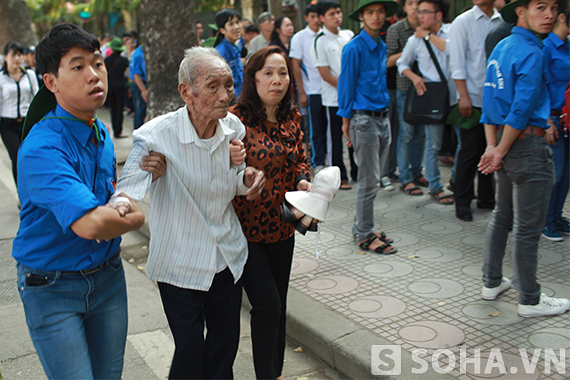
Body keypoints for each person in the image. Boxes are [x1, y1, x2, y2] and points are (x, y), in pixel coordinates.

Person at [13, 23, 163, 379]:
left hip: (108, 278)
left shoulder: (100, 130)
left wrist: (141, 178)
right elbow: (93, 224)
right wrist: (136, 217)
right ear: (51, 82)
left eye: (97, 63)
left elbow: (111, 194)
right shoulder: (42, 146)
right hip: (52, 286)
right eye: (78, 66)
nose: (94, 74)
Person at [114, 46, 265, 379]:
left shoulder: (233, 130)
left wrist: (248, 178)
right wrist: (120, 209)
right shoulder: (156, 137)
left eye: (229, 84)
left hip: (227, 256)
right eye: (214, 86)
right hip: (180, 263)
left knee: (224, 346)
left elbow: (235, 181)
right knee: (191, 349)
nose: (226, 94)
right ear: (186, 91)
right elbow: (126, 190)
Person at [478, 0, 570, 317]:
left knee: (502, 217)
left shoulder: (502, 46)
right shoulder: (533, 51)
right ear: (521, 11)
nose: (549, 15)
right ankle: (530, 299)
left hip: (504, 144)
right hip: (527, 146)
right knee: (527, 229)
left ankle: (491, 282)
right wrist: (498, 151)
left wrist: (494, 148)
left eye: (553, 8)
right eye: (540, 7)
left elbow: (488, 101)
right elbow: (520, 108)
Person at [230, 45, 311, 380]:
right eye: (268, 73)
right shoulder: (236, 119)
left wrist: (305, 180)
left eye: (282, 73)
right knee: (267, 306)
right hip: (244, 230)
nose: (277, 80)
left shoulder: (291, 116)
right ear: (253, 77)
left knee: (281, 306)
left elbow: (301, 159)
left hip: (283, 226)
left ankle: (274, 372)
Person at [338, 0, 399, 254]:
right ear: (361, 16)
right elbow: (346, 85)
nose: (376, 16)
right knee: (368, 181)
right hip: (363, 120)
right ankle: (364, 234)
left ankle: (361, 227)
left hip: (383, 117)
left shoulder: (381, 45)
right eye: (370, 12)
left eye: (380, 11)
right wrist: (346, 122)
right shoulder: (354, 48)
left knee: (374, 178)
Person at [396, 0, 456, 204]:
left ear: (438, 15)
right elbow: (401, 63)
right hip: (433, 96)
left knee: (463, 142)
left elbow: (451, 49)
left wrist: (429, 36)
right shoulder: (415, 39)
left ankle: (457, 181)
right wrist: (414, 77)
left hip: (458, 94)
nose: (419, 16)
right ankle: (436, 186)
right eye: (418, 12)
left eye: (425, 12)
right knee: (433, 144)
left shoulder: (451, 30)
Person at [449, 0, 502, 221]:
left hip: (495, 99)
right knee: (469, 151)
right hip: (470, 98)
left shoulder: (502, 20)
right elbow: (457, 62)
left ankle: (487, 198)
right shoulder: (463, 22)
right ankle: (462, 201)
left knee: (489, 148)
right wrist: (463, 95)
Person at [311, 0, 356, 189]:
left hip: (354, 97)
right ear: (322, 18)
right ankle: (340, 176)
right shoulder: (320, 40)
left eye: (339, 12)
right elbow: (325, 73)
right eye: (332, 14)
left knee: (354, 136)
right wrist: (347, 86)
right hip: (334, 99)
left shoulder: (348, 35)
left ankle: (357, 171)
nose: (337, 16)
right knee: (336, 139)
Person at [387, 0, 428, 196]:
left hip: (427, 88)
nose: (415, 7)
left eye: (418, 3)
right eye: (410, 3)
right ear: (404, 7)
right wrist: (411, 49)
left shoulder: (428, 27)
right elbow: (387, 61)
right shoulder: (396, 29)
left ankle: (416, 172)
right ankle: (405, 178)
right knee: (406, 134)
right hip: (405, 87)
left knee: (421, 135)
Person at [542, 4, 569, 241]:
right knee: (556, 173)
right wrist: (547, 121)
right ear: (563, 17)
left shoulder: (568, 46)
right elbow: (542, 87)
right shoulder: (547, 47)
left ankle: (557, 216)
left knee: (567, 173)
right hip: (553, 118)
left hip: (568, 118)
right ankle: (545, 221)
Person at [290, 4, 327, 170]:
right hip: (312, 90)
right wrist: (302, 92)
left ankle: (329, 158)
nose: (315, 20)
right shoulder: (300, 37)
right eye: (312, 17)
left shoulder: (326, 35)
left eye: (318, 17)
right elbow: (296, 66)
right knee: (315, 128)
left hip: (330, 89)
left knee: (330, 127)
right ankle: (318, 160)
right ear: (306, 18)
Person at [0, 42, 39, 190]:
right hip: (7, 125)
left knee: (31, 156)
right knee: (17, 158)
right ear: (5, 57)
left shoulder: (29, 75)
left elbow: (36, 98)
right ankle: (22, 193)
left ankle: (33, 190)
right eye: (13, 55)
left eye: (19, 55)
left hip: (27, 123)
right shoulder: (1, 78)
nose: (17, 58)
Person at [214, 9, 244, 97]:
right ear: (222, 30)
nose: (236, 27)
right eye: (231, 24)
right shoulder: (221, 52)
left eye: (238, 22)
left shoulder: (236, 47)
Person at [104, 38, 129, 138]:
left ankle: (114, 128)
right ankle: (118, 131)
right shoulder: (124, 61)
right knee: (120, 108)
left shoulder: (106, 60)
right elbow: (128, 74)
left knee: (112, 108)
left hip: (110, 86)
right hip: (120, 86)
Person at [129, 31, 147, 129]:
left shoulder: (142, 52)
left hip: (141, 83)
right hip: (139, 84)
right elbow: (136, 74)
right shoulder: (138, 54)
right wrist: (143, 90)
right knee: (140, 111)